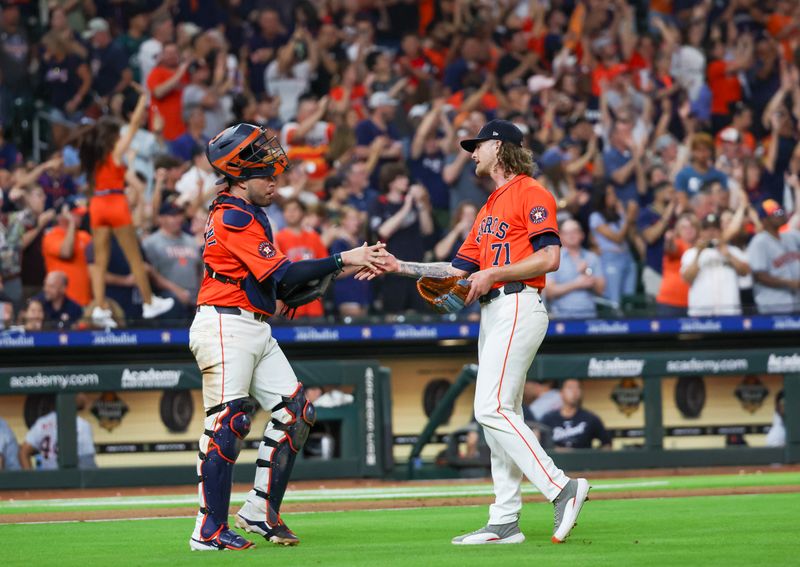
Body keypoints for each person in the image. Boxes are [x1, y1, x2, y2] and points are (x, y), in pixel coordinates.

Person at [358, 119, 590, 545]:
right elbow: (455, 270)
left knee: (491, 408)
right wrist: (399, 267)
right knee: (502, 415)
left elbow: (550, 258)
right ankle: (504, 520)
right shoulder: (487, 209)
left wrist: (495, 272)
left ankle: (562, 487)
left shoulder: (531, 192)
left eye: (477, 146)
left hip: (519, 302)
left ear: (500, 147)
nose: (471, 153)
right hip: (494, 310)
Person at [189, 123, 386, 551]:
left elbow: (282, 287)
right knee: (228, 422)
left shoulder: (250, 213)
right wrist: (342, 257)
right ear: (240, 175)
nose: (274, 181)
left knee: (296, 410)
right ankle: (208, 530)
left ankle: (259, 512)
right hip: (225, 323)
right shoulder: (233, 214)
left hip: (253, 325)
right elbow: (285, 274)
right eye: (266, 175)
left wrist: (349, 265)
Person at [77, 87, 174, 327]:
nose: (123, 136)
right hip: (115, 202)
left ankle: (99, 307)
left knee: (100, 261)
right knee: (134, 258)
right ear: (112, 136)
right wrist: (143, 100)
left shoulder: (95, 156)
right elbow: (132, 127)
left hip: (97, 204)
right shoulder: (114, 152)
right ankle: (149, 302)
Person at [681, 213, 750, 316]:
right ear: (701, 232)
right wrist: (698, 255)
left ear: (721, 231)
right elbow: (687, 278)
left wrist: (729, 256)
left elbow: (745, 272)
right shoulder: (691, 253)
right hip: (701, 314)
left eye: (715, 229)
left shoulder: (733, 251)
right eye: (707, 229)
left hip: (729, 312)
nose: (711, 233)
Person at [746, 199, 800, 314]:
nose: (780, 215)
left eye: (781, 211)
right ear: (764, 220)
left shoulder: (791, 236)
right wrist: (790, 283)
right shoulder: (759, 242)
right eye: (775, 214)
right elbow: (759, 276)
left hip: (796, 304)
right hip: (773, 305)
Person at [545, 219, 605, 319]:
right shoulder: (553, 258)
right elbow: (549, 292)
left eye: (574, 231)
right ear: (560, 236)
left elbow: (601, 290)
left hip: (589, 315)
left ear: (582, 234)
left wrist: (587, 272)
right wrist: (576, 284)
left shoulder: (592, 257)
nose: (571, 235)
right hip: (562, 317)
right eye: (567, 232)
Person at [18, 395, 96, 470]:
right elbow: (87, 464)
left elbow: (23, 452)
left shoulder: (42, 422)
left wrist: (32, 480)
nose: (84, 397)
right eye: (80, 392)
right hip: (72, 480)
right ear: (71, 397)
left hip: (48, 480)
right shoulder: (81, 424)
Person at [540, 379, 613, 450]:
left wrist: (595, 458)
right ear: (561, 392)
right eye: (570, 388)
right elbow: (539, 444)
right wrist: (557, 450)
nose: (574, 392)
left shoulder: (590, 418)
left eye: (577, 388)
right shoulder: (548, 419)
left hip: (583, 461)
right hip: (555, 461)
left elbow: (607, 443)